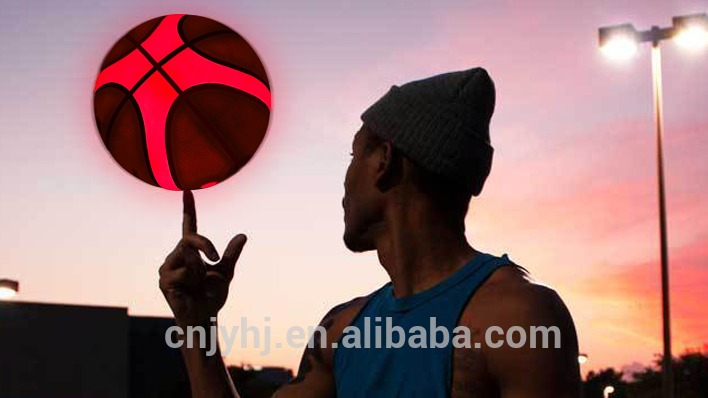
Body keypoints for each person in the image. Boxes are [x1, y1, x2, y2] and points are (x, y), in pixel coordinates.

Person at [159, 67, 582, 397]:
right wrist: (197, 326)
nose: (344, 179)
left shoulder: (518, 318)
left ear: (384, 161)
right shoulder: (341, 330)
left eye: (353, 153)